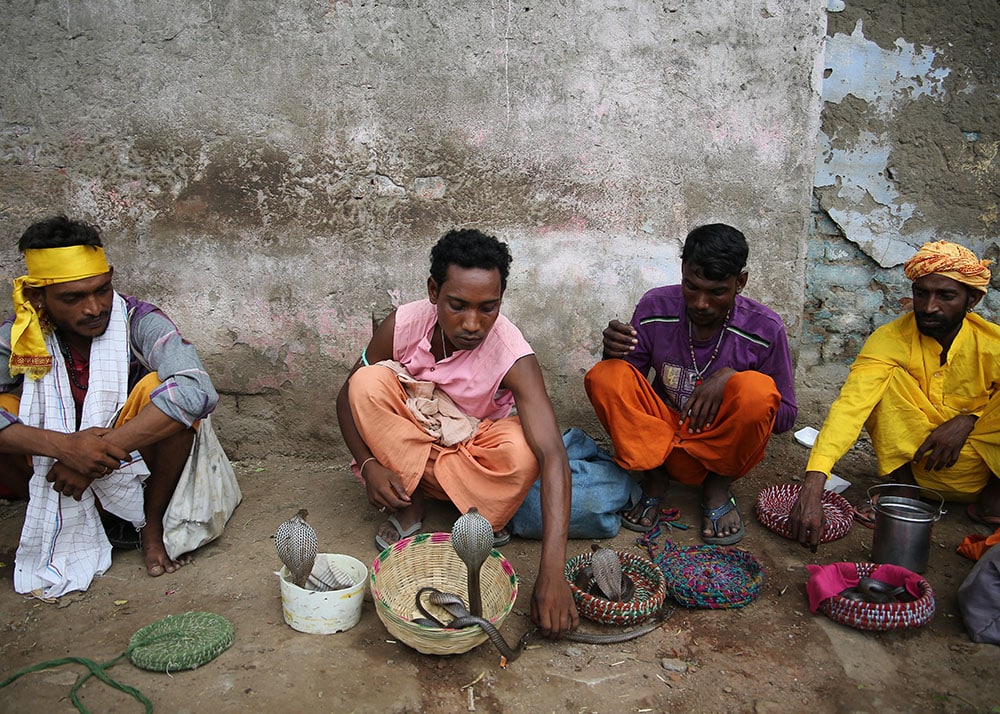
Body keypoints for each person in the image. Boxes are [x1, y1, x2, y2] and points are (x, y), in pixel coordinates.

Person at [335, 228, 578, 638]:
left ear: (501, 299)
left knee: (523, 450)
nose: (472, 323)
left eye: (488, 308)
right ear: (434, 291)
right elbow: (346, 396)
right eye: (458, 305)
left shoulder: (512, 353)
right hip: (412, 435)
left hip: (470, 448)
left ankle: (465, 504)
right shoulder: (404, 324)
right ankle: (413, 499)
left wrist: (553, 575)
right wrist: (370, 462)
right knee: (367, 383)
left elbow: (554, 454)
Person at [0, 215, 230, 597]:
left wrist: (95, 453)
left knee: (164, 393)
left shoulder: (138, 319)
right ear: (39, 298)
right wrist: (66, 448)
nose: (94, 308)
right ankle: (63, 516)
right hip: (58, 466)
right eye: (73, 298)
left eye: (102, 290)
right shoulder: (19, 336)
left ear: (110, 279)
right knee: (7, 406)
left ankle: (150, 524)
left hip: (129, 460)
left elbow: (197, 389)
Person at [585, 223, 797, 544]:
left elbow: (785, 417)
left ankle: (717, 488)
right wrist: (611, 353)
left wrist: (732, 380)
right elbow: (626, 383)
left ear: (740, 282)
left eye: (716, 292)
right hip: (661, 442)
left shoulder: (765, 328)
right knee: (605, 375)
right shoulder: (655, 306)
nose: (700, 303)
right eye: (691, 286)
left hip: (719, 450)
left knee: (757, 390)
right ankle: (654, 479)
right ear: (683, 271)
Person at [789, 240, 999, 552]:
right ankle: (903, 489)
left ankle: (993, 498)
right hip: (917, 463)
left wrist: (970, 419)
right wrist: (812, 487)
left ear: (973, 299)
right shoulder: (889, 340)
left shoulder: (991, 345)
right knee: (881, 384)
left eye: (946, 296)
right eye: (921, 293)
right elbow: (850, 408)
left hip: (978, 470)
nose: (929, 307)